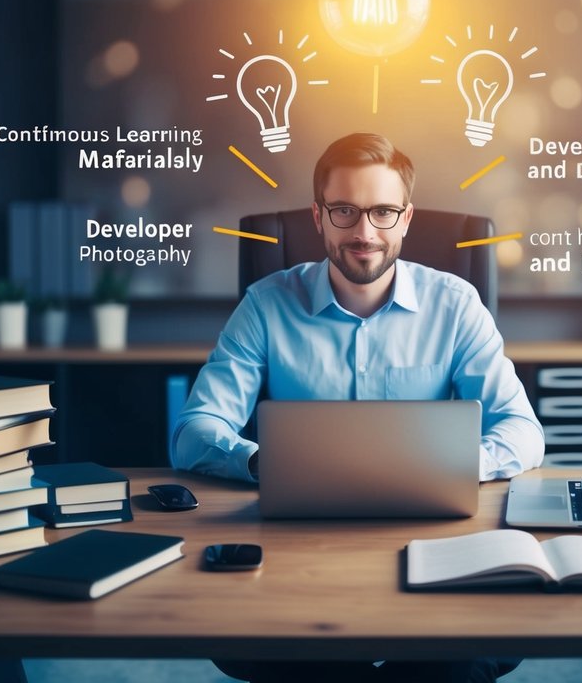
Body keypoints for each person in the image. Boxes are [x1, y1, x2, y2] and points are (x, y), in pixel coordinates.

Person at [172, 132, 544, 682]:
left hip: (431, 542)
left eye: (383, 211)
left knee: (459, 662)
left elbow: (521, 431)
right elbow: (194, 431)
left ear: (406, 218)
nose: (364, 232)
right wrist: (259, 462)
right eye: (344, 211)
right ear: (319, 216)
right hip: (299, 553)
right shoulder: (267, 304)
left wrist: (455, 465)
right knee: (293, 655)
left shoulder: (456, 304)